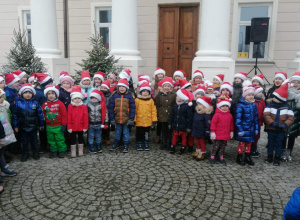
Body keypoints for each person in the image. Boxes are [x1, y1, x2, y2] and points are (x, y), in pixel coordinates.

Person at [264, 83, 294, 166]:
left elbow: (291, 118)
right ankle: (270, 156)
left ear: (280, 99)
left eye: (275, 97)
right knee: (270, 143)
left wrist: (285, 124)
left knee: (279, 144)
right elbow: (266, 115)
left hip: (281, 129)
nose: (273, 98)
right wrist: (272, 123)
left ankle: (277, 157)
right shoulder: (270, 106)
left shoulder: (287, 108)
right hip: (271, 128)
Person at [13, 84, 44, 162]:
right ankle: (25, 154)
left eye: (29, 93)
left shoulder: (36, 103)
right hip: (23, 127)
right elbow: (15, 115)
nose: (28, 94)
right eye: (25, 93)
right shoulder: (18, 103)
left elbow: (40, 114)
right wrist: (15, 126)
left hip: (33, 126)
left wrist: (41, 124)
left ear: (32, 94)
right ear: (22, 94)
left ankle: (35, 153)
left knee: (34, 141)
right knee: (25, 142)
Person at [235, 80, 259, 166]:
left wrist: (256, 128)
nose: (251, 96)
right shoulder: (240, 105)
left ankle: (247, 156)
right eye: (249, 95)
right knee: (242, 144)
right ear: (244, 96)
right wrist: (240, 129)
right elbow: (238, 119)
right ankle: (239, 156)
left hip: (251, 129)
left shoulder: (254, 105)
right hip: (243, 129)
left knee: (249, 144)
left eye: (252, 95)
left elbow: (256, 118)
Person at [109, 79, 136, 153]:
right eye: (120, 86)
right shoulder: (114, 95)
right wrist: (111, 118)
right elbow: (111, 108)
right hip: (117, 118)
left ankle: (126, 144)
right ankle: (116, 143)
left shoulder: (129, 96)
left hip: (126, 119)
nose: (121, 88)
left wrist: (131, 118)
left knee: (126, 132)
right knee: (117, 132)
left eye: (123, 87)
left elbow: (132, 108)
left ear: (126, 88)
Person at [42, 86, 68, 158]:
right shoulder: (45, 104)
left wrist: (64, 124)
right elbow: (43, 114)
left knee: (59, 139)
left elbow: (64, 115)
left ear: (56, 95)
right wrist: (43, 123)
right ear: (46, 95)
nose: (51, 95)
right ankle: (53, 151)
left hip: (58, 126)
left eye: (53, 93)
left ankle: (62, 150)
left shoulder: (60, 103)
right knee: (51, 140)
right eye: (49, 94)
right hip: (49, 126)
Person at [209, 95, 234, 164]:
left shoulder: (230, 115)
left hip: (225, 134)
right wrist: (213, 132)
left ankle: (221, 155)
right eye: (223, 106)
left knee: (223, 146)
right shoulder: (217, 115)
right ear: (219, 107)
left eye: (226, 106)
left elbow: (231, 124)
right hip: (218, 134)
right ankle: (212, 156)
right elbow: (213, 124)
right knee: (216, 146)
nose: (225, 108)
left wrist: (231, 131)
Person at [154, 77, 176, 150]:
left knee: (169, 130)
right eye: (165, 86)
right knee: (163, 130)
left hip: (170, 114)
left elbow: (175, 103)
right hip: (162, 114)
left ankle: (169, 143)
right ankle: (163, 143)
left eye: (168, 86)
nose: (167, 87)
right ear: (162, 87)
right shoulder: (160, 95)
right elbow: (156, 102)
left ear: (171, 87)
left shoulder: (173, 94)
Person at [169, 89, 193, 154]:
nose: (176, 97)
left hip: (183, 125)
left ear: (182, 98)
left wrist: (189, 127)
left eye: (178, 96)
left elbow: (190, 117)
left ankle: (183, 147)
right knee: (174, 136)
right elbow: (172, 115)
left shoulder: (187, 106)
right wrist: (170, 123)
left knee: (183, 137)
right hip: (176, 124)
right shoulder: (175, 105)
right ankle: (173, 146)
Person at [134, 82, 157, 151]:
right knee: (139, 132)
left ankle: (146, 142)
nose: (145, 93)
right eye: (143, 91)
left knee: (146, 132)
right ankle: (139, 143)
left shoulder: (151, 100)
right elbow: (134, 110)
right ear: (141, 92)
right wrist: (134, 120)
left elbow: (153, 110)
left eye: (147, 92)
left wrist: (154, 120)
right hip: (139, 120)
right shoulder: (137, 100)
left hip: (148, 120)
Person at [35, 73, 54, 153]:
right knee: (42, 132)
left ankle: (50, 145)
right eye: (49, 83)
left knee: (48, 131)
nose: (51, 85)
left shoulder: (48, 91)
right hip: (41, 115)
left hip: (49, 114)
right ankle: (43, 146)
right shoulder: (38, 92)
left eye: (51, 83)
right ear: (43, 84)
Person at [0, 89, 17, 180]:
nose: (2, 99)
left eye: (2, 97)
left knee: (2, 152)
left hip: (4, 133)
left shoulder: (3, 106)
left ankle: (4, 168)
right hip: (1, 134)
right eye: (0, 98)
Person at [283, 72, 300, 162]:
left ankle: (289, 152)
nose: (296, 84)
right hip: (285, 119)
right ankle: (282, 151)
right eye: (294, 82)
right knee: (283, 136)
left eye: (298, 82)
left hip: (296, 120)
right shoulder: (286, 93)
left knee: (292, 137)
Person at [68, 85, 89, 157]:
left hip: (81, 125)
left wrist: (85, 126)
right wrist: (69, 127)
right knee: (73, 139)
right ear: (72, 99)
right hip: (73, 126)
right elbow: (69, 117)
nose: (77, 100)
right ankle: (73, 151)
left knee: (81, 138)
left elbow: (86, 117)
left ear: (81, 99)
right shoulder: (70, 106)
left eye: (79, 98)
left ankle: (80, 150)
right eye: (75, 98)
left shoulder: (83, 106)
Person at [191, 96, 212, 161]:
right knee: (197, 140)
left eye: (200, 104)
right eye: (198, 104)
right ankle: (198, 150)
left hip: (202, 130)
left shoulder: (206, 114)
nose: (198, 105)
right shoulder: (197, 112)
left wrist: (207, 131)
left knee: (202, 141)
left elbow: (207, 124)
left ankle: (202, 152)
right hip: (196, 129)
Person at [251, 86, 266, 158]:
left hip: (259, 122)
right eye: (259, 92)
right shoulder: (252, 101)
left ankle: (254, 148)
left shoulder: (262, 101)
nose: (260, 94)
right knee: (252, 135)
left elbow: (264, 110)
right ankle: (251, 149)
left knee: (257, 136)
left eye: (261, 92)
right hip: (252, 122)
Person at [100, 80, 112, 145]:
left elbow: (111, 104)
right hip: (100, 113)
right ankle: (101, 137)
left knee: (107, 126)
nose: (103, 89)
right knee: (100, 126)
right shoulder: (99, 95)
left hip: (107, 113)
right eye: (102, 88)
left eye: (105, 88)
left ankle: (107, 137)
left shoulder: (110, 96)